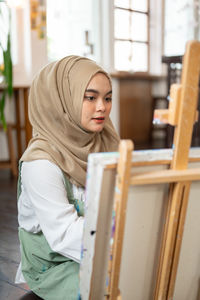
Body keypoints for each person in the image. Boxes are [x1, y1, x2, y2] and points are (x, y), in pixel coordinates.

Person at [15, 56, 120, 300]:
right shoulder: (41, 163)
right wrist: (125, 241)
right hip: (55, 265)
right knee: (112, 287)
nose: (102, 107)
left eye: (107, 97)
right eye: (90, 97)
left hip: (101, 247)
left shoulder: (105, 142)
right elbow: (64, 235)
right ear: (62, 100)